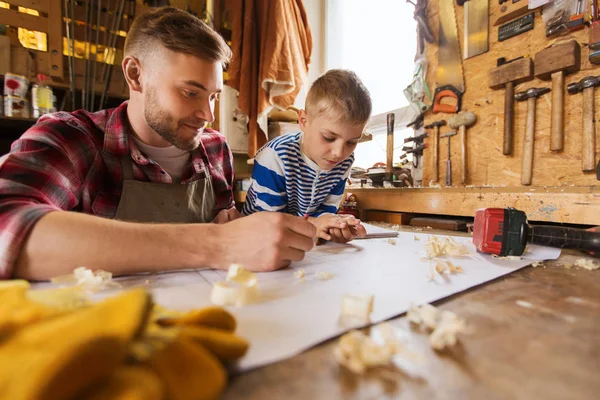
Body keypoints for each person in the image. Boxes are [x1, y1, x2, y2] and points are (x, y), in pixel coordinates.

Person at [0, 7, 315, 281]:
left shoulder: (216, 150)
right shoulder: (71, 138)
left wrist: (233, 225)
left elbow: (225, 225)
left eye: (214, 97)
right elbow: (7, 223)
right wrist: (216, 243)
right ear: (136, 74)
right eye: (190, 93)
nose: (208, 114)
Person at [242, 69, 370, 243]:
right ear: (303, 121)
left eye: (351, 142)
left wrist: (335, 227)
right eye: (329, 138)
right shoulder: (274, 157)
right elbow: (268, 222)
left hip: (298, 239)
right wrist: (313, 224)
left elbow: (325, 212)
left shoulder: (344, 161)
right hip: (254, 238)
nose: (339, 153)